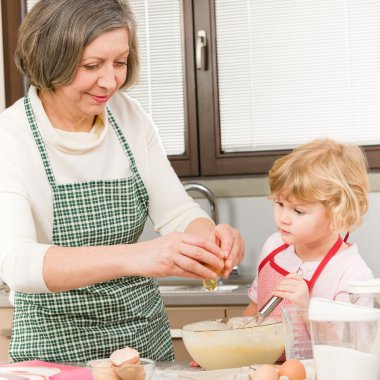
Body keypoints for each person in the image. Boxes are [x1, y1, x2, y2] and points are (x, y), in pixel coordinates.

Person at [0, 0, 244, 364]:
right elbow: (18, 264)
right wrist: (140, 255)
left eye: (120, 61)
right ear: (51, 59)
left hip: (141, 340)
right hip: (54, 347)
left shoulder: (129, 117)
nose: (111, 80)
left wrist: (208, 241)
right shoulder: (11, 137)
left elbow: (177, 211)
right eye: (91, 65)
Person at [244, 138, 373, 318]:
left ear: (338, 213)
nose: (283, 218)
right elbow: (256, 308)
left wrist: (306, 309)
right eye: (279, 203)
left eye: (298, 211)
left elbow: (349, 342)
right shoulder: (273, 246)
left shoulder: (351, 274)